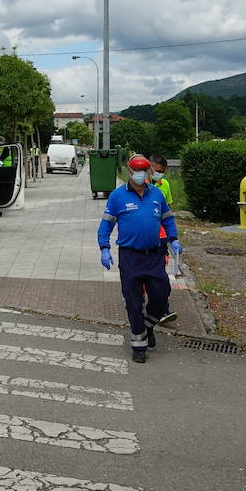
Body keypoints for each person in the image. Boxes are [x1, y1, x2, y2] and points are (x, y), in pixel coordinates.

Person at [97, 154, 183, 363]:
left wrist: (173, 239)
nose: (140, 174)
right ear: (129, 170)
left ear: (149, 172)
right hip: (130, 257)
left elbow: (167, 218)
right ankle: (139, 345)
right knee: (133, 302)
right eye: (136, 169)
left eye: (144, 169)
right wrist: (104, 248)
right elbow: (106, 224)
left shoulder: (156, 194)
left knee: (161, 295)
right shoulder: (118, 196)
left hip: (154, 255)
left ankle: (146, 326)